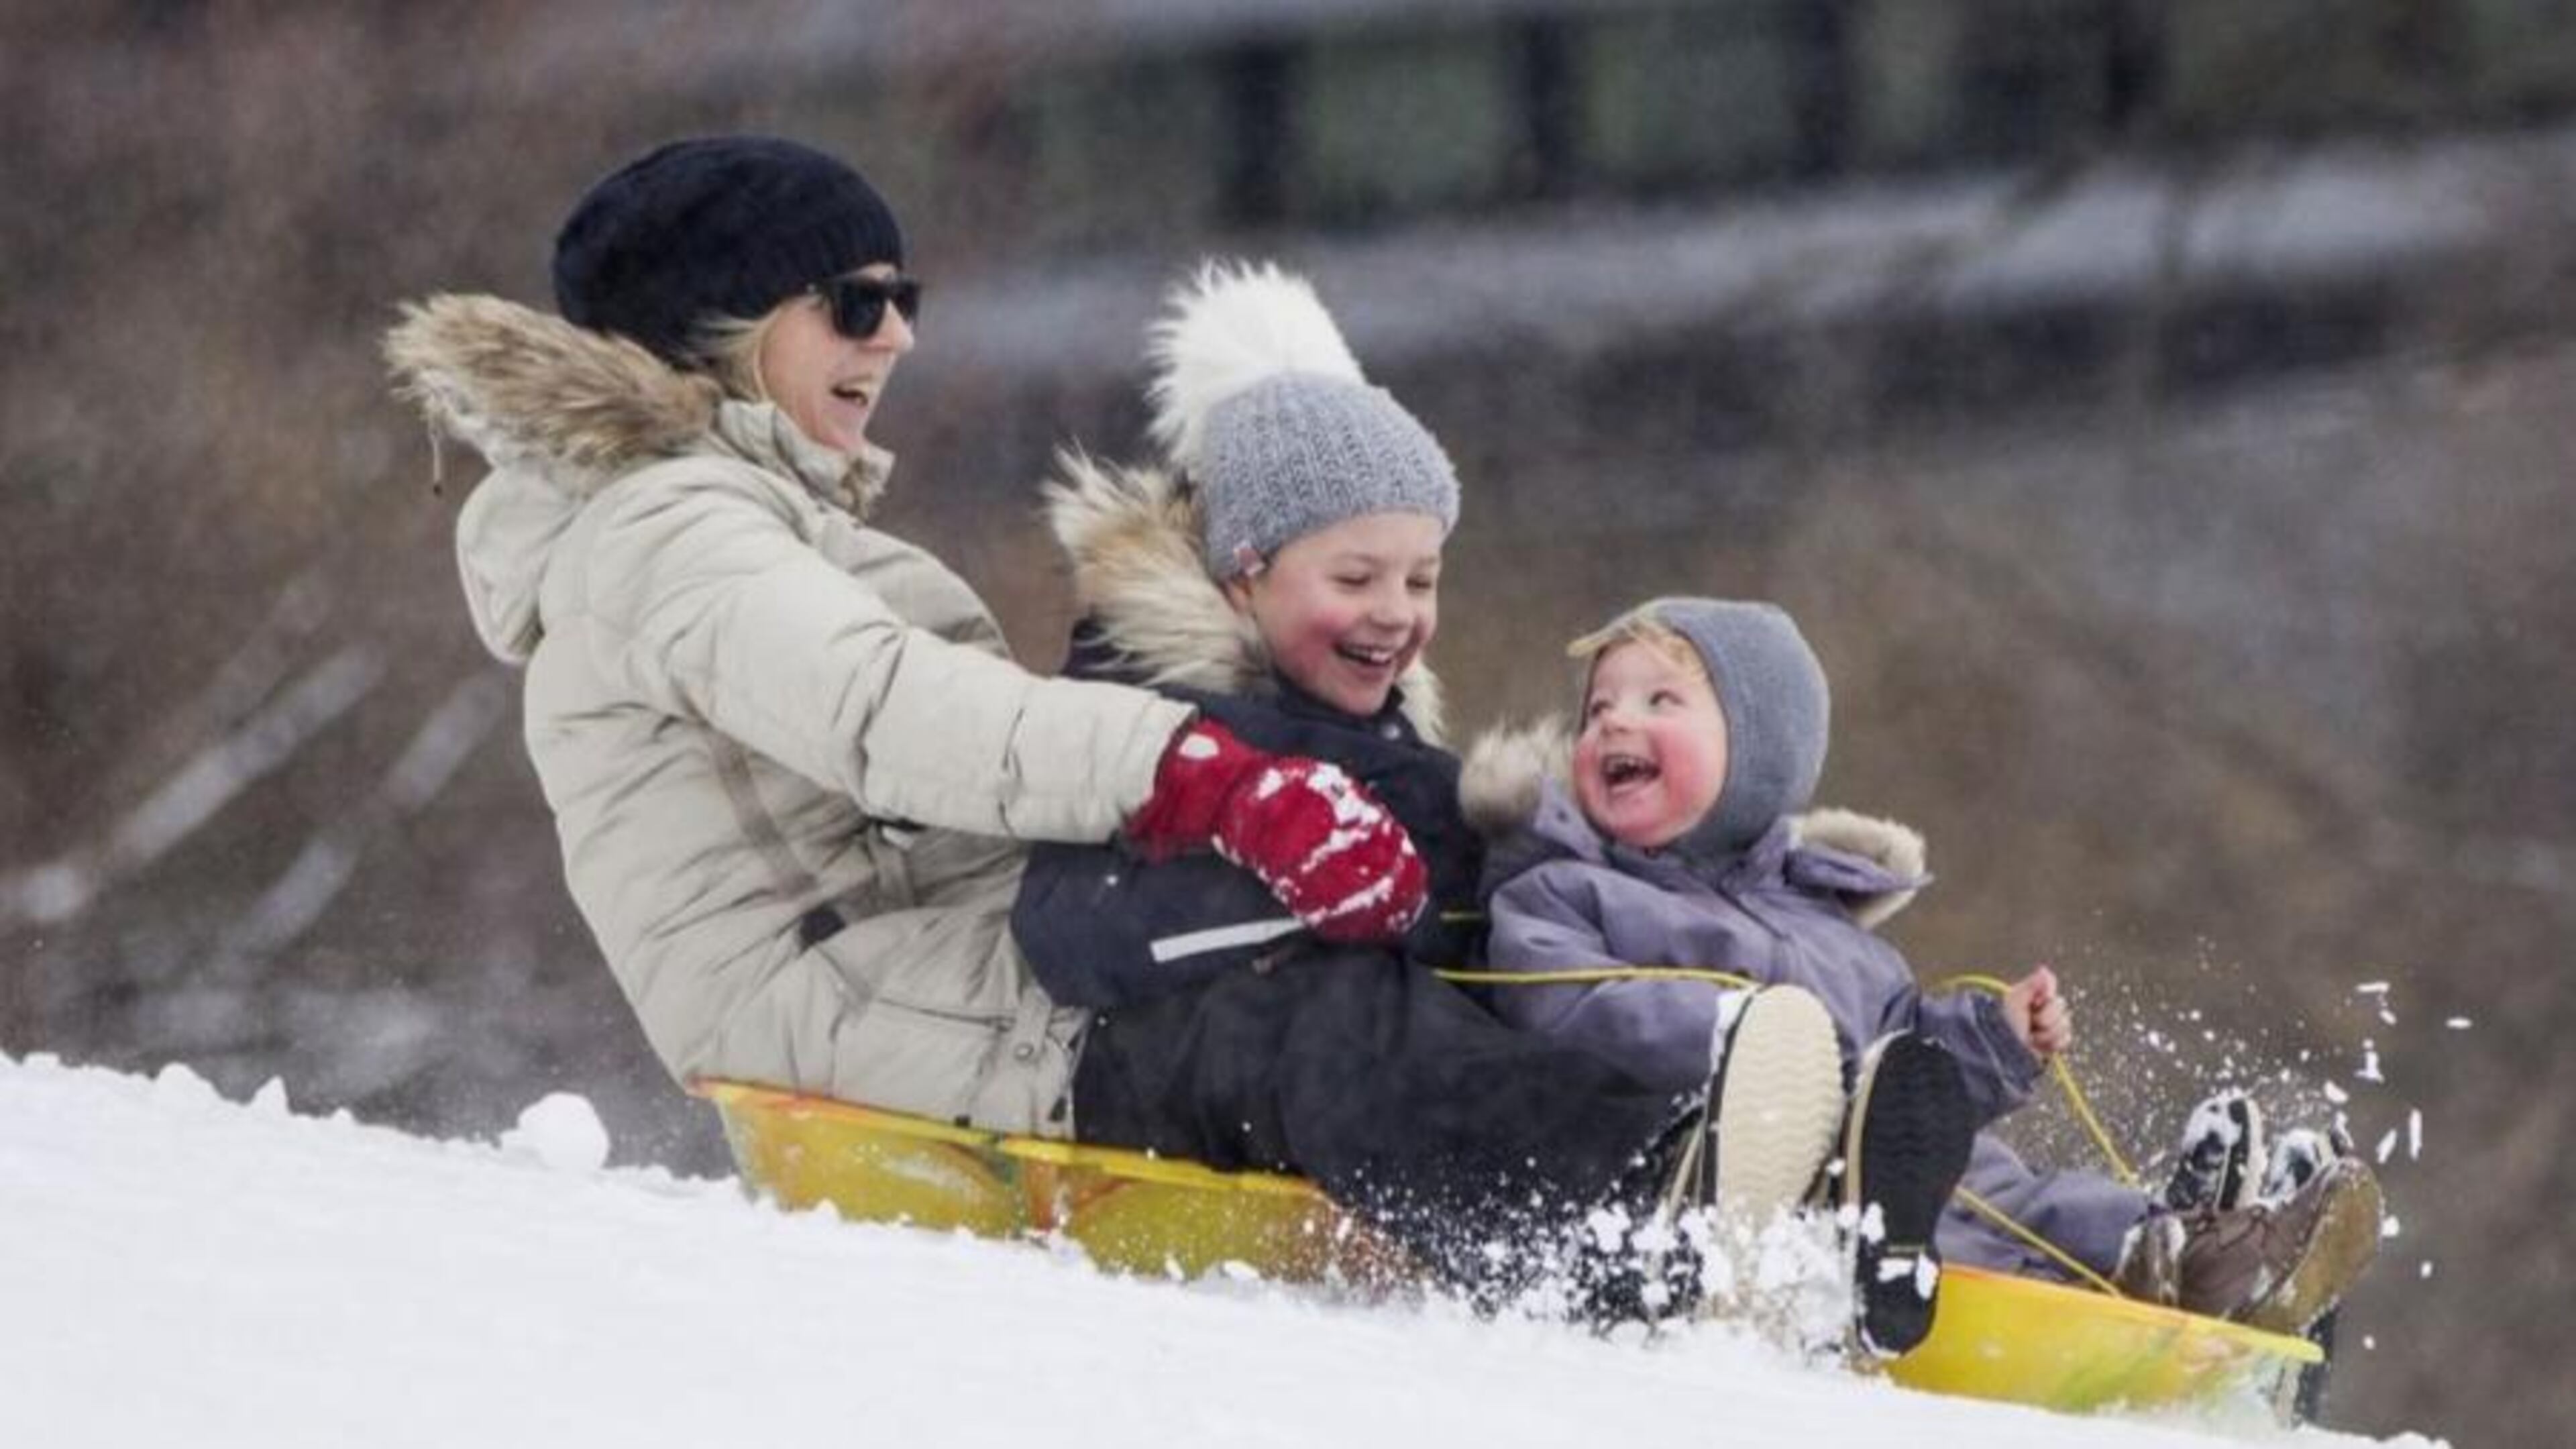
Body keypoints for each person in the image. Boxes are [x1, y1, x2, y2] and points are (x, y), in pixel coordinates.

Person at [381, 136, 1432, 1138]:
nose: (897, 335)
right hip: (854, 1004)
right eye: (856, 304)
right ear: (723, 324)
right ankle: (1579, 1238)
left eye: (902, 300)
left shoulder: (751, 525)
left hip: (923, 970)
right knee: (1321, 1036)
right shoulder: (669, 535)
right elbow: (886, 710)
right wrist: (1205, 780)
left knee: (1396, 917)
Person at [1006, 261, 1868, 1326]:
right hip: (1134, 1074)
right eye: (1355, 579)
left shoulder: (1383, 740)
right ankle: (1616, 1218)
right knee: (1338, 1015)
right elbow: (1061, 928)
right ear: (1244, 576)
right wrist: (1295, 890)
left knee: (1547, 950)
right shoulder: (1142, 720)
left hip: (1314, 1093)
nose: (1396, 614)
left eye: (1421, 580)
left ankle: (1832, 1173)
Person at [1472, 596, 2385, 1336]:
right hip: (1759, 1187)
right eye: (1599, 709)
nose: (1613, 724)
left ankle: (2191, 1240)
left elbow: (1908, 1058)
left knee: (2016, 1191)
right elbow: (1559, 1007)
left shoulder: (1835, 928)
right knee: (1978, 1221)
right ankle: (2186, 1266)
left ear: (1757, 756)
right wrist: (1749, 1045)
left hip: (1901, 1165)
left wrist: (1992, 1040)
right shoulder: (1567, 888)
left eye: (1658, 702)